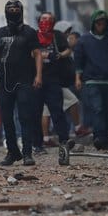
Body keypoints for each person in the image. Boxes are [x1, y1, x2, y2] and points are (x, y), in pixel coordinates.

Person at [0, 0, 42, 166]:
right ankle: (12, 152)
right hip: (5, 81)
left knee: (25, 117)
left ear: (21, 10)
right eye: (10, 8)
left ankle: (27, 153)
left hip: (24, 81)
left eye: (16, 8)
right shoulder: (1, 32)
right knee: (7, 119)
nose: (13, 10)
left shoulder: (29, 32)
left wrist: (39, 75)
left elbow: (37, 54)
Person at [74, 10, 108, 150]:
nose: (101, 26)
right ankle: (99, 137)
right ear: (93, 24)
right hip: (92, 81)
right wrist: (78, 79)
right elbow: (79, 61)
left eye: (104, 23)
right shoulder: (84, 40)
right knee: (97, 109)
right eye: (98, 23)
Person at [34, 12, 72, 152]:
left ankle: (64, 141)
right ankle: (37, 144)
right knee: (36, 113)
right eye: (44, 19)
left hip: (53, 79)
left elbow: (67, 49)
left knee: (57, 111)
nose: (46, 21)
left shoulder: (57, 35)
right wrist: (42, 55)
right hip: (36, 80)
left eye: (50, 19)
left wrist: (60, 55)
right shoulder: (33, 35)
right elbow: (30, 53)